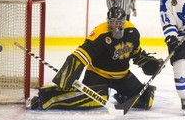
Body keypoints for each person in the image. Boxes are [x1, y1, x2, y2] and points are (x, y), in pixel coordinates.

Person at [30, 7, 163, 111]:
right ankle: (47, 97)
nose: (114, 26)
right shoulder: (100, 33)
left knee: (145, 98)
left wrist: (148, 63)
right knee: (96, 99)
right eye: (111, 22)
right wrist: (69, 72)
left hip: (122, 76)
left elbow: (136, 52)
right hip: (98, 74)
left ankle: (122, 96)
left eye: (117, 22)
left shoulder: (132, 32)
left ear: (124, 22)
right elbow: (82, 54)